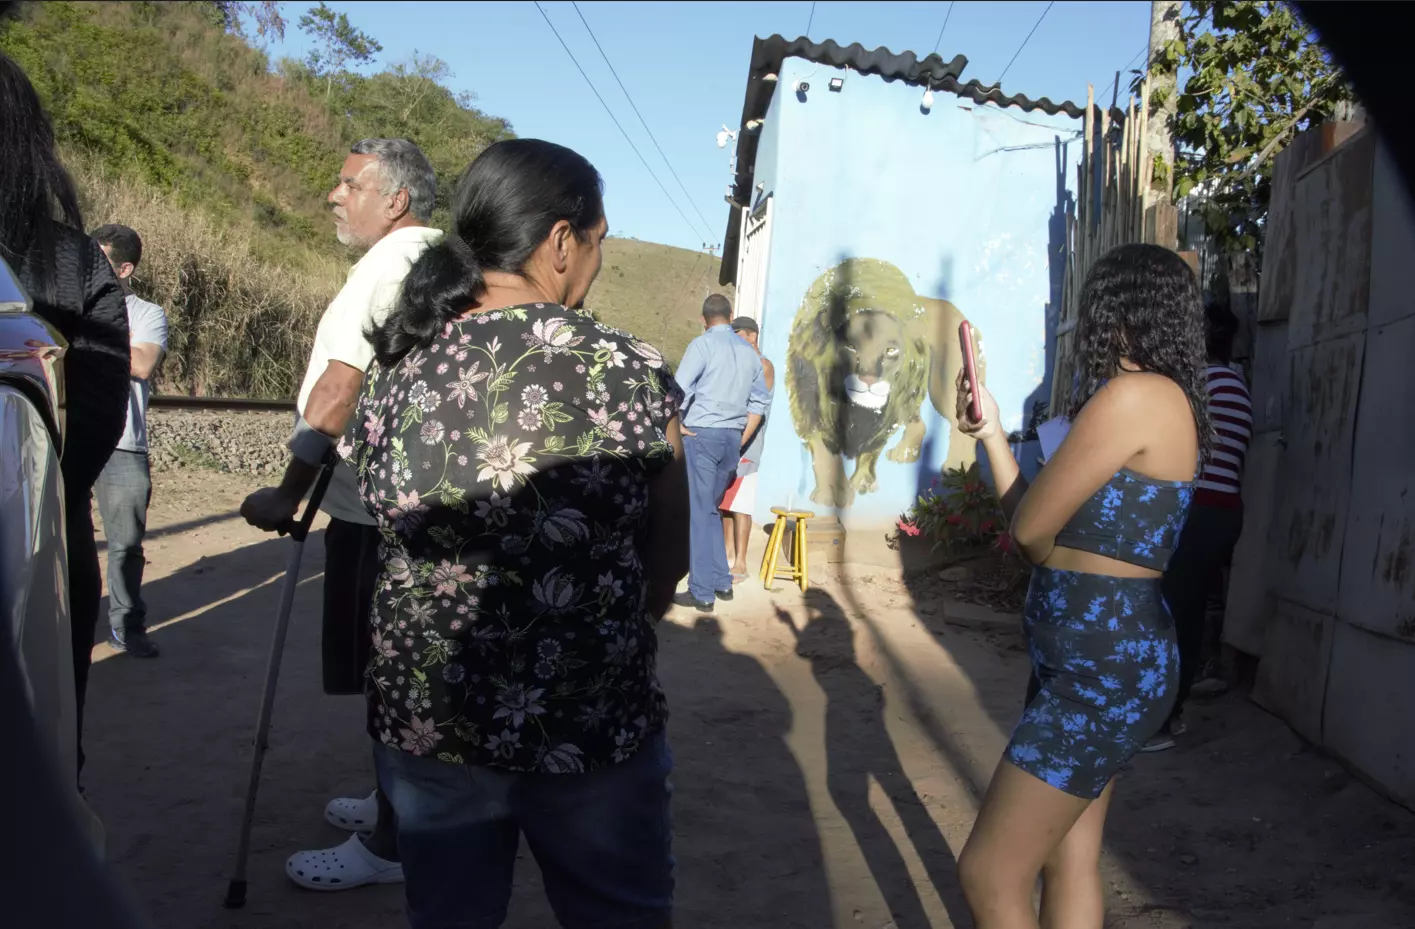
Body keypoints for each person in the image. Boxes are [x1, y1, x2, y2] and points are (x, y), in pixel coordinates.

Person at [342, 137, 688, 929]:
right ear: (562, 241)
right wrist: (635, 619)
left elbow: (380, 517)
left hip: (430, 716)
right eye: (597, 243)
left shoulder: (397, 367)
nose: (595, 264)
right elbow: (669, 545)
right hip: (588, 715)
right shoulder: (625, 367)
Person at [953, 243, 1208, 928]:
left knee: (987, 871)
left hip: (1100, 669)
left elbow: (1033, 535)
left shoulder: (1131, 397)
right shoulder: (1159, 398)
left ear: (1116, 309)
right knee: (1067, 858)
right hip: (1099, 662)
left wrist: (1033, 516)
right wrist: (991, 434)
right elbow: (1035, 528)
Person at [239, 138, 441, 891]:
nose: (333, 194)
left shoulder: (386, 265)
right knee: (394, 674)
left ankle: (392, 842)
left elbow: (338, 387)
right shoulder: (431, 262)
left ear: (394, 199)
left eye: (349, 183)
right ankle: (391, 801)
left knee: (386, 677)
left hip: (366, 510)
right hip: (403, 502)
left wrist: (288, 491)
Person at [1, 51, 130, 779]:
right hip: (47, 543)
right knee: (46, 757)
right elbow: (99, 415)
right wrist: (56, 494)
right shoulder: (79, 261)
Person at [1146, 300, 1251, 752]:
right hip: (1221, 512)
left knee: (1167, 615)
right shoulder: (1236, 384)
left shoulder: (1203, 385)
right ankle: (1171, 715)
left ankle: (1161, 721)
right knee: (1183, 613)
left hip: (1199, 510)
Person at [90, 224, 167, 659]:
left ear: (125, 268)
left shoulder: (146, 314)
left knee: (125, 544)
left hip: (123, 442)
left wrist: (88, 328)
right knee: (62, 543)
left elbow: (141, 363)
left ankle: (126, 624)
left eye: (100, 260)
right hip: (68, 438)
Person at [672, 295, 770, 611]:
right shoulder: (750, 354)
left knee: (699, 513)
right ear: (730, 316)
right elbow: (759, 402)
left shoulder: (701, 346)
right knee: (712, 508)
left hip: (702, 435)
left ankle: (701, 591)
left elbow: (678, 390)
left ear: (704, 319)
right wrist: (740, 437)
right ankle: (721, 581)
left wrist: (679, 425)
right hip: (732, 438)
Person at [719, 315, 775, 583]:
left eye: (737, 334)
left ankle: (740, 562)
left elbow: (754, 408)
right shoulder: (738, 364)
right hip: (730, 441)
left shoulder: (763, 366)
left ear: (752, 336)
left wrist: (738, 443)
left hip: (747, 445)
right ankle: (725, 555)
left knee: (741, 505)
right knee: (725, 503)